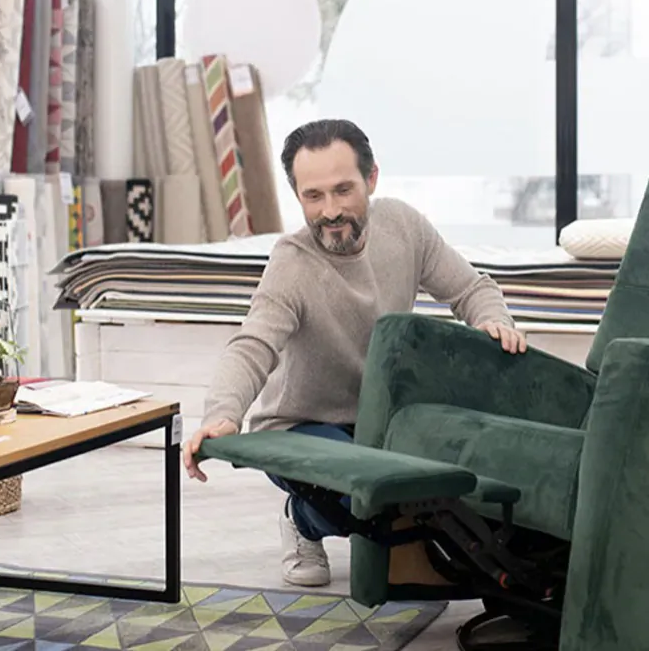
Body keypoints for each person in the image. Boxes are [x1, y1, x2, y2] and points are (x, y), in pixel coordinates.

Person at [181, 118, 527, 588]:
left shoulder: (403, 227)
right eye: (313, 196)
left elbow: (471, 287)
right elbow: (251, 346)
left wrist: (495, 322)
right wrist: (222, 414)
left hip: (383, 419)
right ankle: (302, 519)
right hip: (303, 426)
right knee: (369, 500)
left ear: (372, 179)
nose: (330, 211)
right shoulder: (292, 263)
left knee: (435, 497)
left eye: (343, 190)